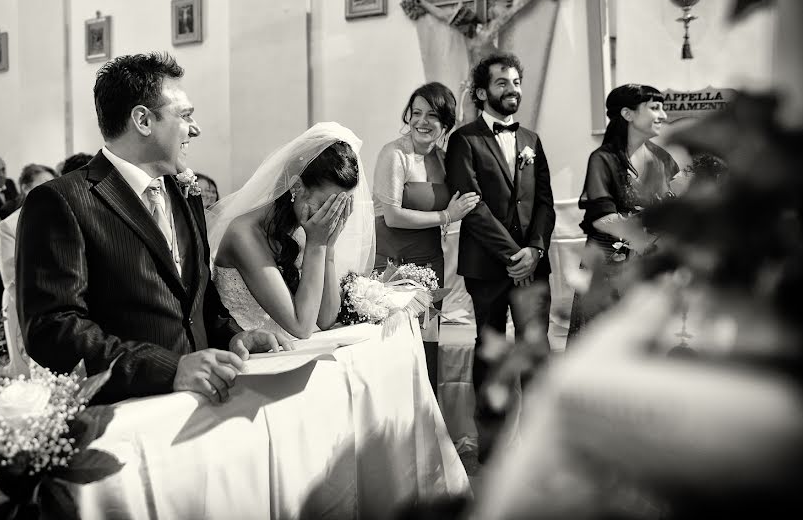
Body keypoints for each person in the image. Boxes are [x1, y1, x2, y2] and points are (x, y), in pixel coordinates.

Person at [16, 52, 290, 404]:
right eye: (185, 116)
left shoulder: (183, 191)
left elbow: (195, 300)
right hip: (129, 409)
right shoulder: (62, 201)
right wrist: (168, 368)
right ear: (143, 120)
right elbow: (53, 330)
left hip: (205, 402)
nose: (196, 128)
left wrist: (232, 337)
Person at [445, 52, 556, 463]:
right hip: (489, 267)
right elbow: (471, 206)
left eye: (516, 82)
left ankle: (538, 447)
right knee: (490, 352)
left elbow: (544, 202)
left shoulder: (532, 140)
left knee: (534, 351)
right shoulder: (464, 140)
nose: (513, 90)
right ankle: (491, 449)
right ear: (481, 92)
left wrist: (536, 250)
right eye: (502, 83)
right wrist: (515, 256)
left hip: (533, 264)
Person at [209, 123, 374, 340]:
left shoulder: (307, 227)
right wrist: (317, 245)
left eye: (341, 206)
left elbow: (325, 319)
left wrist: (328, 247)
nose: (332, 215)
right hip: (251, 357)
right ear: (296, 187)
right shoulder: (244, 234)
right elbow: (302, 327)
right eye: (327, 204)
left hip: (288, 352)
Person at [373, 82, 479, 392]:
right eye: (416, 113)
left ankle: (427, 428)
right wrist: (447, 216)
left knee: (428, 344)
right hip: (394, 266)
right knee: (397, 348)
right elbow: (392, 215)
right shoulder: (394, 154)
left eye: (432, 115)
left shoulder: (443, 159)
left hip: (432, 265)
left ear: (446, 122)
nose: (422, 121)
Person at [567, 84, 678, 344]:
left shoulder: (662, 158)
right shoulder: (603, 159)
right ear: (628, 114)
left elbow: (673, 207)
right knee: (603, 346)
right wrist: (646, 241)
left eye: (662, 108)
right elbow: (602, 217)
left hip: (648, 270)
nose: (663, 115)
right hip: (608, 268)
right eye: (654, 108)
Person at [0, 164, 57, 374]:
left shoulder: (64, 214)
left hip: (63, 299)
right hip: (26, 302)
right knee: (29, 369)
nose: (52, 188)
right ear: (27, 188)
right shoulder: (9, 226)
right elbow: (12, 279)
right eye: (45, 184)